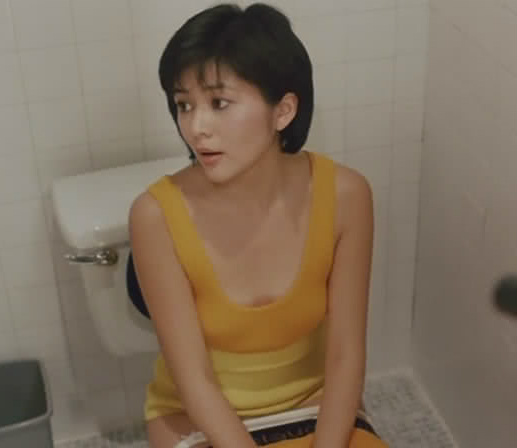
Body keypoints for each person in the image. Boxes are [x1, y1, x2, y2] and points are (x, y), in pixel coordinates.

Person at [128, 3, 385, 447]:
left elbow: (346, 355)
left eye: (219, 103)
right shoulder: (155, 216)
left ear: (283, 110)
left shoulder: (346, 196)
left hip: (311, 402)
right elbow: (194, 382)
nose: (195, 127)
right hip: (195, 418)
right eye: (184, 105)